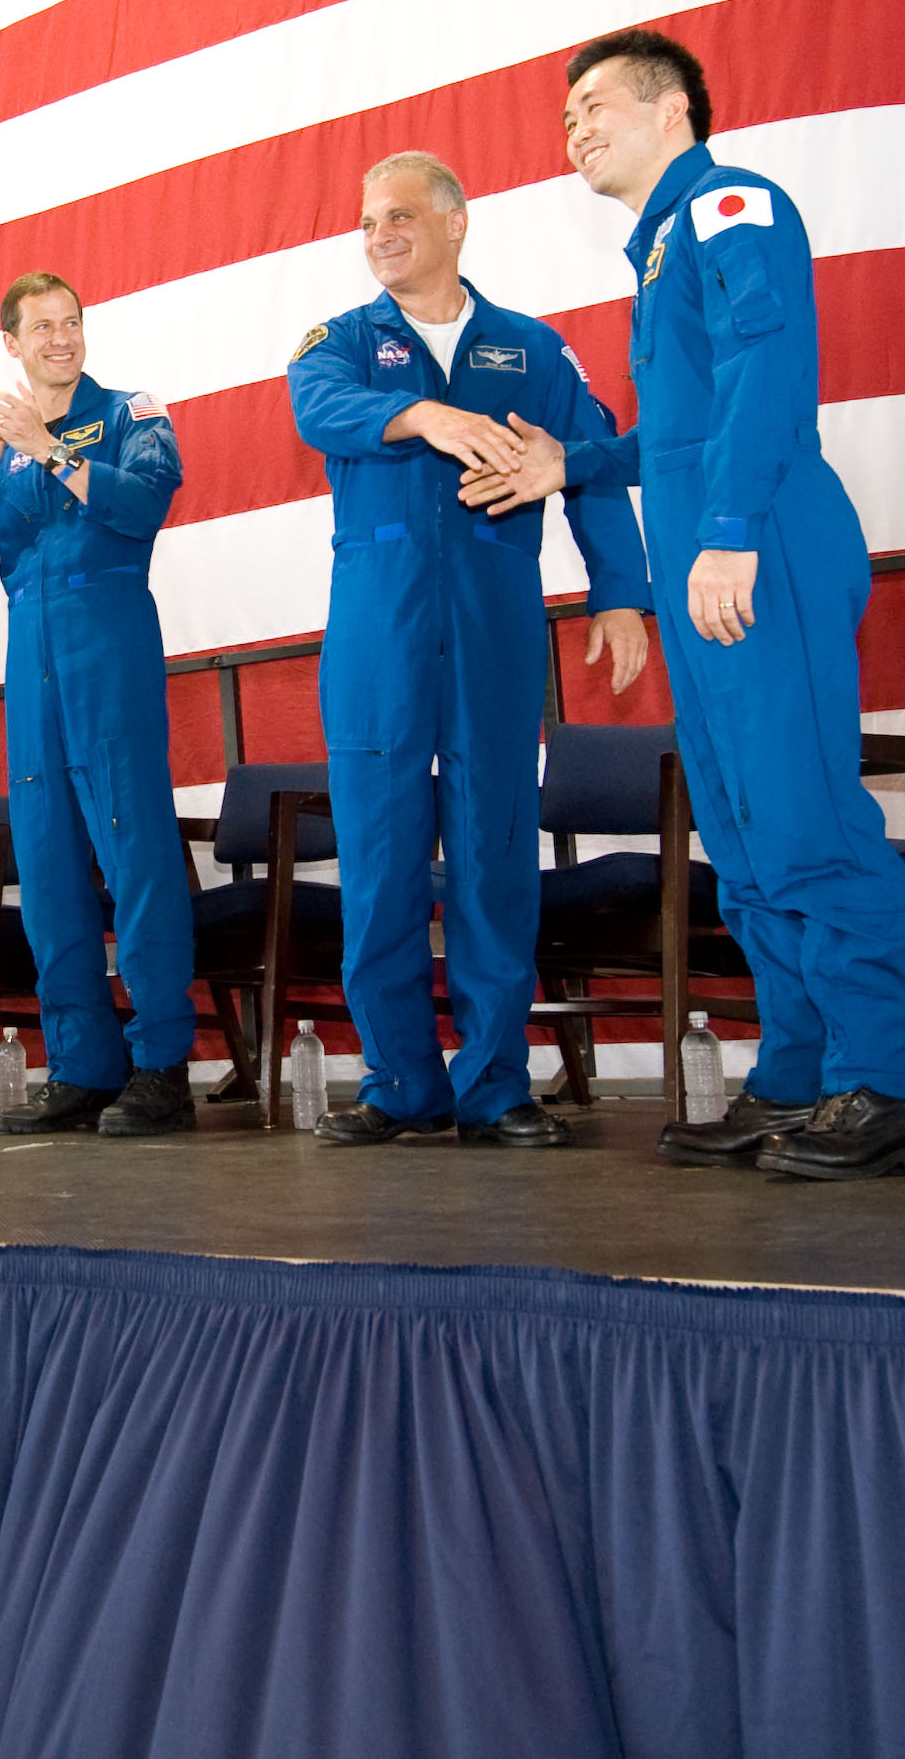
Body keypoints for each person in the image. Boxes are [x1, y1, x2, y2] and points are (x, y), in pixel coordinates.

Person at [462, 28, 905, 1179]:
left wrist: (725, 537)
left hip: (760, 549)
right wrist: (572, 466)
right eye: (565, 115)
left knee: (806, 816)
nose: (575, 130)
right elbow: (677, 433)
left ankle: (879, 1083)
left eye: (595, 105)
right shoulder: (665, 246)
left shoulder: (729, 205)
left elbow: (770, 376)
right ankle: (800, 1078)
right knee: (744, 833)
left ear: (673, 107)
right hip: (710, 572)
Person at [290, 152, 654, 1150]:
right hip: (377, 631)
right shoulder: (344, 343)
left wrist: (621, 595)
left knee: (496, 850)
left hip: (495, 623)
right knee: (379, 858)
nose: (379, 235)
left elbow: (591, 468)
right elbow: (314, 407)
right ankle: (401, 1081)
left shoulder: (532, 349)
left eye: (400, 215)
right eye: (367, 222)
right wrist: (420, 413)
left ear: (456, 221)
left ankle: (495, 1083)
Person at [0, 273, 197, 1137]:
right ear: (10, 344)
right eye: (41, 327)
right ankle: (84, 1063)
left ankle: (161, 1060)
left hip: (110, 644)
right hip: (31, 662)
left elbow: (145, 501)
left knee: (136, 851)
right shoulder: (4, 443)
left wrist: (50, 446)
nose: (62, 339)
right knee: (48, 863)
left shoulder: (131, 411)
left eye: (72, 322)